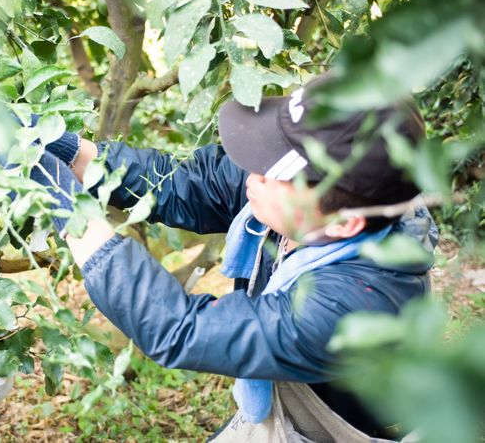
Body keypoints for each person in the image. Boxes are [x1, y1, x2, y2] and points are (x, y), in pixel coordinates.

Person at [24, 72, 438, 441]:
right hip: (280, 399)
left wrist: (69, 211)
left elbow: (181, 329)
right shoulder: (319, 199)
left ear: (343, 224)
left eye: (274, 172)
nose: (253, 172)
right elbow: (188, 183)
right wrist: (74, 153)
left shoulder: (352, 305)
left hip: (323, 426)